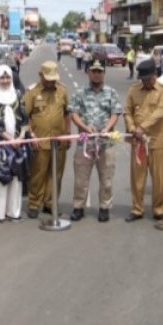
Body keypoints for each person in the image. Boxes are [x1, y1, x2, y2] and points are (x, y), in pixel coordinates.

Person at [68, 59, 122, 223]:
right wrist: (84, 127)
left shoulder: (111, 92)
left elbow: (115, 113)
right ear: (88, 73)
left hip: (106, 144)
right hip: (85, 143)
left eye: (100, 71)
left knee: (106, 179)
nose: (97, 74)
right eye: (94, 71)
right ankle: (78, 207)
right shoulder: (80, 92)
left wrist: (107, 128)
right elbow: (73, 113)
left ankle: (104, 208)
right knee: (80, 179)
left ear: (104, 73)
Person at [124, 59, 163, 222]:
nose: (145, 81)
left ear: (155, 75)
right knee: (137, 178)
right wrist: (131, 128)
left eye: (148, 78)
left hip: (156, 140)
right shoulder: (133, 90)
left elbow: (159, 112)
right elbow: (127, 111)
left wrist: (142, 127)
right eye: (142, 78)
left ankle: (159, 209)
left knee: (159, 178)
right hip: (138, 141)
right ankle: (137, 209)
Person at [0, 65, 30, 224]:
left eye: (7, 77)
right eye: (2, 78)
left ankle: (14, 213)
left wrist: (21, 137)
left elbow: (25, 119)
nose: (5, 81)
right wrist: (10, 139)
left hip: (18, 146)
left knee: (16, 180)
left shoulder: (17, 96)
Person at [24, 61, 70, 218]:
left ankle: (50, 203)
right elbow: (26, 117)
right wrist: (31, 135)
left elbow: (66, 113)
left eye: (53, 79)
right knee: (38, 173)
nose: (51, 82)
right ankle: (34, 203)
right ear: (41, 75)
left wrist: (68, 134)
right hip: (40, 141)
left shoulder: (62, 91)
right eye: (48, 78)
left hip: (59, 141)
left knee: (56, 174)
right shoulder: (32, 92)